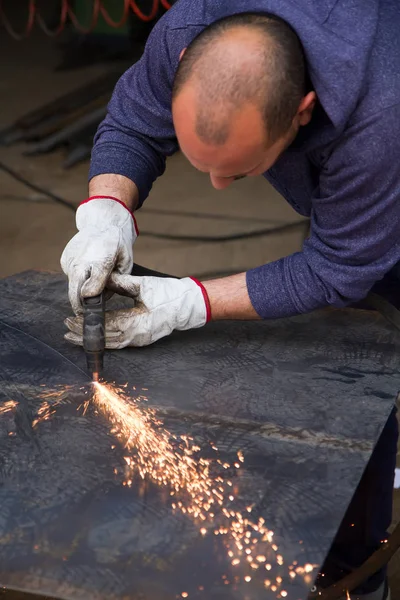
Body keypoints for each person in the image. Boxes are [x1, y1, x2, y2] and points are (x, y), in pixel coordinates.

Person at [60, 2, 400, 598]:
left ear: (303, 111)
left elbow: (339, 267)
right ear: (185, 60)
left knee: (361, 377)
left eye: (239, 173)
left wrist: (192, 301)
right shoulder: (189, 28)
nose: (217, 185)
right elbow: (134, 123)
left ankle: (351, 577)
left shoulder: (383, 116)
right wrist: (107, 211)